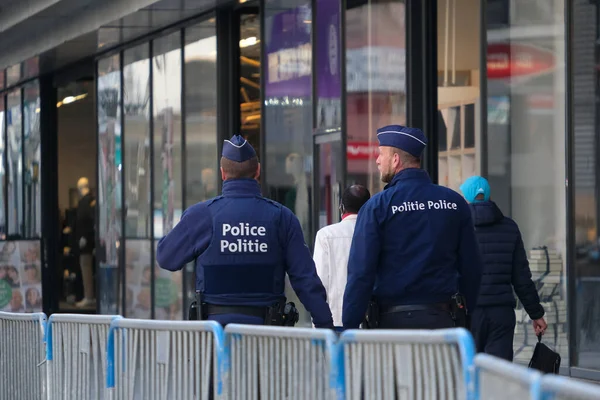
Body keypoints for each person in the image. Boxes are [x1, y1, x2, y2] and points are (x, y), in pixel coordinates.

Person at [156, 134, 333, 328]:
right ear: (257, 171)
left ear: (222, 173)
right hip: (268, 336)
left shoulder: (202, 215)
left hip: (216, 339)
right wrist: (326, 326)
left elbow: (166, 258)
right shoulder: (282, 217)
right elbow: (305, 279)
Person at [342, 125, 482, 330]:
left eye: (381, 154)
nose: (377, 160)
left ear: (396, 159)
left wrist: (350, 326)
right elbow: (472, 265)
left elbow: (361, 272)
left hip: (392, 325)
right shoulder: (454, 203)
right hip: (444, 322)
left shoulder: (378, 206)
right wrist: (468, 313)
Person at [459, 175, 547, 361]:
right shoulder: (509, 227)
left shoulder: (457, 226)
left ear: (466, 198)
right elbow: (522, 277)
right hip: (501, 314)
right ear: (489, 196)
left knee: (468, 371)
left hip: (468, 312)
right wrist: (536, 314)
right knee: (499, 374)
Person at [313, 185, 371, 328]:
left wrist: (318, 324)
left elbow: (320, 282)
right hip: (370, 321)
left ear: (342, 208)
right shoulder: (376, 234)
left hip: (335, 320)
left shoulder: (326, 235)